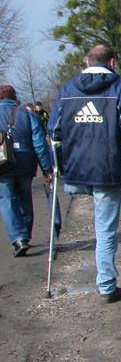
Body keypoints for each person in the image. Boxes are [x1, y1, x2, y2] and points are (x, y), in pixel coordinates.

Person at [48, 44, 121, 303]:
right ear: (112, 62)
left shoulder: (68, 90)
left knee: (100, 227)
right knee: (105, 230)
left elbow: (55, 132)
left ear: (86, 61)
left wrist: (58, 165)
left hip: (75, 170)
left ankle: (104, 281)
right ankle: (106, 285)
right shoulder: (120, 88)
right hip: (106, 169)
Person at [0, 85, 53, 256]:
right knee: (25, 196)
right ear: (14, 97)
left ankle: (18, 238)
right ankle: (26, 235)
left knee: (6, 199)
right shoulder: (27, 113)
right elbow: (39, 142)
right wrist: (46, 168)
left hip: (2, 163)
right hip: (25, 161)